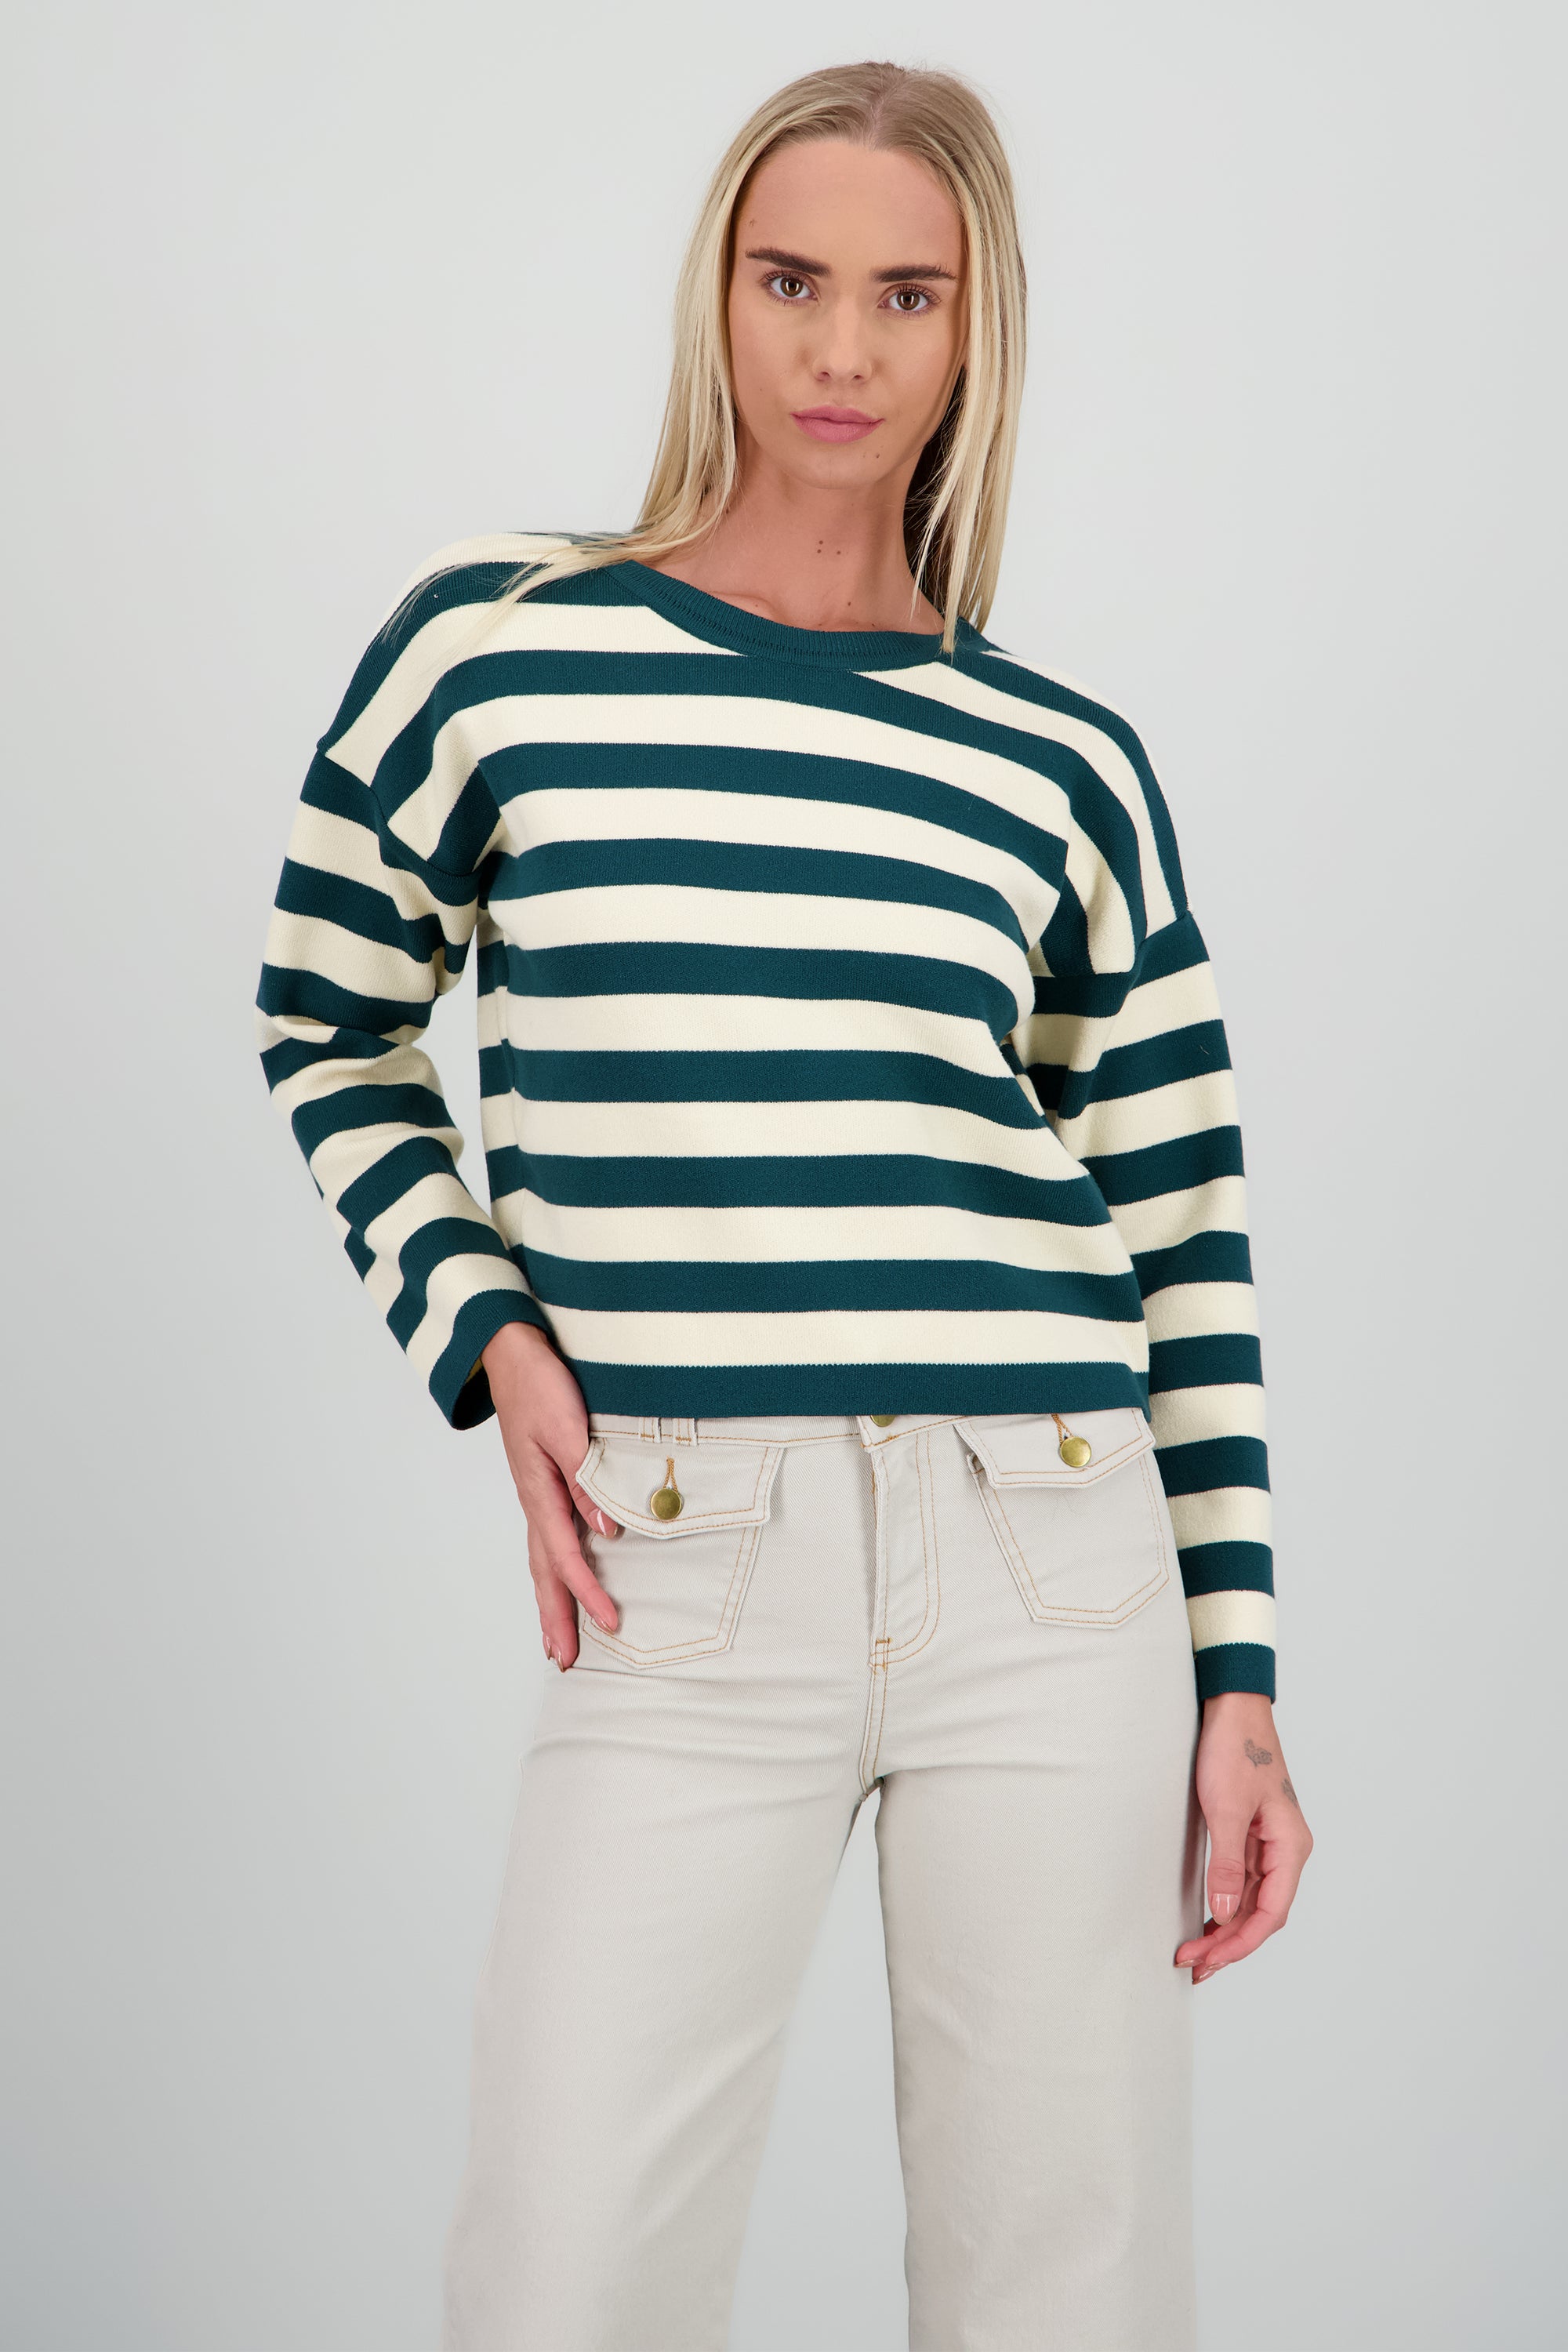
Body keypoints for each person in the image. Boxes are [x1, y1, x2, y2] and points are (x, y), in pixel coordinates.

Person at [256, 57, 1312, 2352]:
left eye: (907, 295)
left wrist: (1239, 1682)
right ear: (716, 295)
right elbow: (328, 1020)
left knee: (1068, 2295)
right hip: (682, 1548)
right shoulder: (497, 652)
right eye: (792, 280)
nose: (841, 350)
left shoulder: (1060, 759)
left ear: (977, 326)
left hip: (1053, 1554)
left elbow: (1181, 1228)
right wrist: (489, 1330)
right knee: (563, 2277)